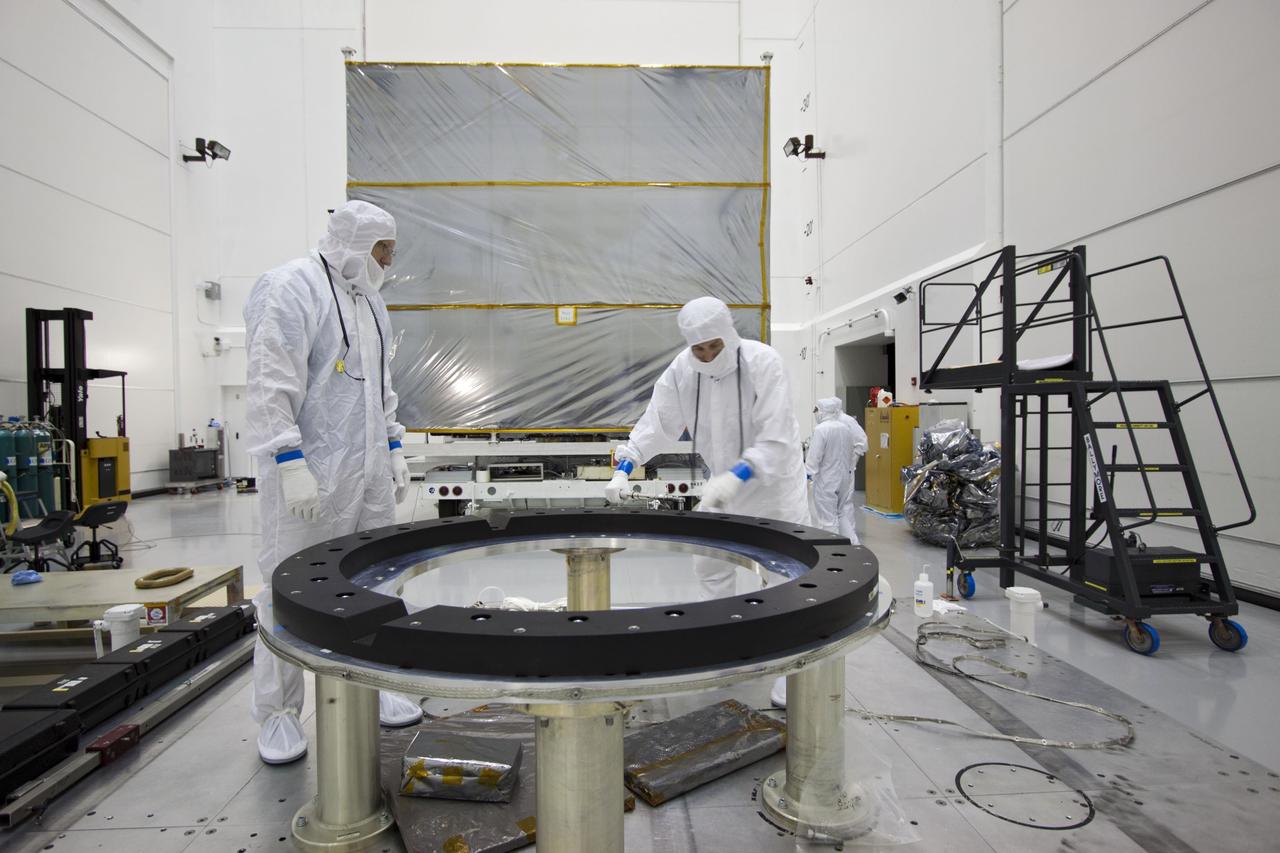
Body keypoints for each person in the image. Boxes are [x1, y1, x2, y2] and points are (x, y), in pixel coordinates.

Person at [244, 200, 421, 765]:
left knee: (380, 575)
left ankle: (380, 681)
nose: (390, 259)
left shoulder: (369, 300)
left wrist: (393, 445)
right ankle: (277, 713)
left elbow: (382, 385)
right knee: (288, 590)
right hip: (310, 473)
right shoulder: (289, 287)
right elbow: (271, 382)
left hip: (366, 470)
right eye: (382, 248)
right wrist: (287, 461)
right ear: (352, 243)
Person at [604, 296, 810, 706]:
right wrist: (626, 463)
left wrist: (742, 475)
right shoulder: (684, 370)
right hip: (722, 485)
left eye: (714, 345)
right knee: (710, 564)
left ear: (729, 334)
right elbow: (659, 422)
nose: (708, 355)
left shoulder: (763, 363)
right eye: (699, 348)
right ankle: (725, 647)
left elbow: (777, 438)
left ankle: (791, 672)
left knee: (784, 574)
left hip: (772, 487)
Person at [806, 397, 867, 544]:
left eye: (817, 410)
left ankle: (832, 553)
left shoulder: (821, 429)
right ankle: (855, 546)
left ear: (823, 411)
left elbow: (815, 457)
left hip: (827, 480)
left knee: (827, 520)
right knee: (840, 514)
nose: (816, 414)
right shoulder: (844, 427)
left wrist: (807, 474)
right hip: (844, 479)